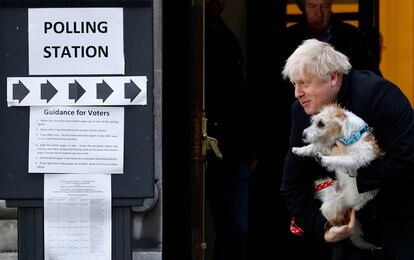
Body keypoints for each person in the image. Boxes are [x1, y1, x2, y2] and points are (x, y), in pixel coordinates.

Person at [280, 39, 414, 259]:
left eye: (304, 83)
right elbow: (292, 185)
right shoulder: (301, 111)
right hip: (346, 240)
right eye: (294, 84)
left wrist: (351, 168)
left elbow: (407, 163)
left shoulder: (381, 96)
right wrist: (324, 228)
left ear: (333, 77)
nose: (297, 93)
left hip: (398, 230)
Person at [204, 0, 256, 259]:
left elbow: (239, 98)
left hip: (231, 149)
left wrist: (248, 147)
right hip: (203, 146)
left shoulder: (225, 35)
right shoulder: (191, 33)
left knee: (234, 229)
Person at [284, 0, 381, 75]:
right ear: (303, 7)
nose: (319, 14)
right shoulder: (287, 39)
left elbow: (370, 77)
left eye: (325, 6)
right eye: (312, 6)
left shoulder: (353, 36)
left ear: (331, 5)